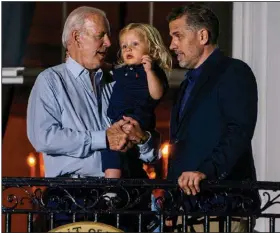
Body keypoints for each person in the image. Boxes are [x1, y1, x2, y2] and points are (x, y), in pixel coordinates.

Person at [26, 6, 160, 231]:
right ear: (77, 37)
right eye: (101, 36)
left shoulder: (117, 80)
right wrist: (103, 139)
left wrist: (144, 139)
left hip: (127, 198)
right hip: (73, 199)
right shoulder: (50, 81)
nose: (109, 43)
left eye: (108, 36)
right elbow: (44, 137)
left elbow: (150, 140)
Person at [165, 3, 260, 232]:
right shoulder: (187, 83)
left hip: (222, 206)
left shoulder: (234, 72)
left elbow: (238, 132)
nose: (172, 45)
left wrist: (206, 173)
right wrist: (171, 203)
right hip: (185, 211)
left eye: (177, 36)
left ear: (203, 35)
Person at [102, 23, 172, 179]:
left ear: (151, 49)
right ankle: (111, 185)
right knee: (111, 147)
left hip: (137, 117)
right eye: (124, 46)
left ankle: (114, 184)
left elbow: (157, 94)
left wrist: (150, 71)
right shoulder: (121, 71)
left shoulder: (151, 70)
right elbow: (105, 69)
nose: (128, 49)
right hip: (118, 118)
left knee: (119, 146)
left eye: (135, 44)